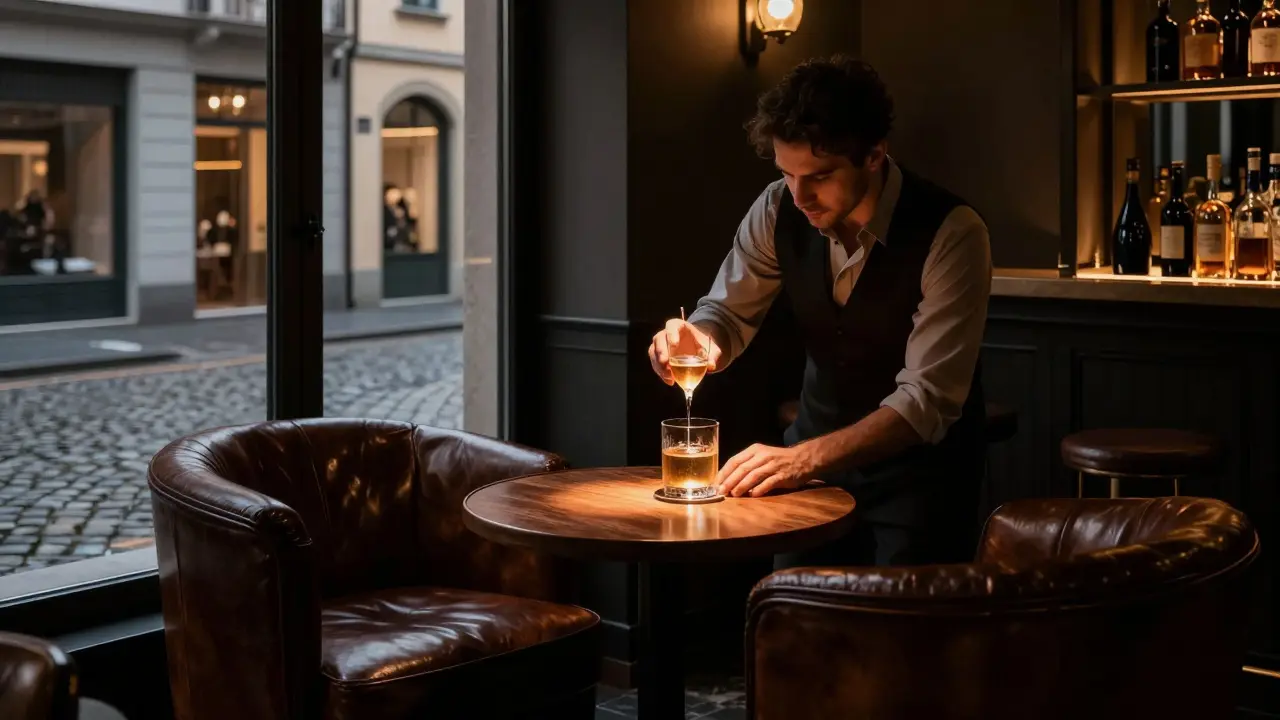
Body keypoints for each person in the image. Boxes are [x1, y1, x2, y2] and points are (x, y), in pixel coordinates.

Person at [647, 56, 992, 567]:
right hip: (808, 473)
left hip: (920, 481)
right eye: (787, 173)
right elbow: (726, 314)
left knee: (901, 639)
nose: (800, 195)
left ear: (875, 155)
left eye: (820, 176)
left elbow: (926, 400)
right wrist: (697, 339)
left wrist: (802, 458)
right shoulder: (776, 207)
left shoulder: (952, 232)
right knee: (791, 622)